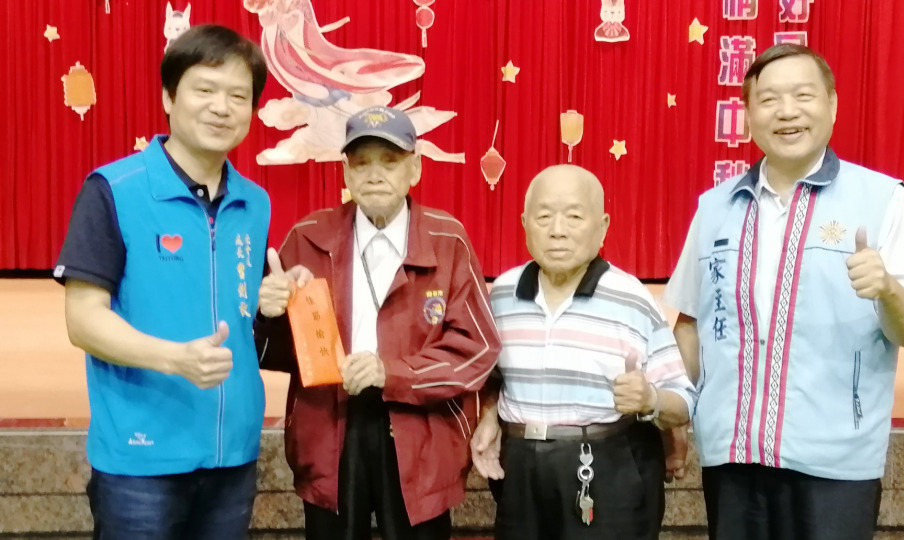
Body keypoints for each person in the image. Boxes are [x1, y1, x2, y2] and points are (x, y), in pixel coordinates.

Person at [664, 44, 904, 540]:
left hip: (836, 466)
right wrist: (672, 408)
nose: (787, 111)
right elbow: (690, 322)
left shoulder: (883, 199)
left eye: (803, 95)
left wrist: (887, 290)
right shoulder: (714, 208)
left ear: (832, 105)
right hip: (732, 456)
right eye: (769, 99)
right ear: (748, 114)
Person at [55, 25, 275, 539]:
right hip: (141, 460)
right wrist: (175, 359)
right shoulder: (113, 190)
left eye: (238, 96)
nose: (222, 107)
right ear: (168, 97)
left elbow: (245, 313)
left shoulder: (255, 203)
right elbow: (83, 321)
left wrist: (281, 299)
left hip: (233, 456)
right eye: (205, 90)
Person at [256, 105, 501, 540]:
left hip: (420, 430)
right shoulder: (307, 237)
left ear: (415, 168)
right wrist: (268, 315)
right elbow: (274, 353)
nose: (374, 175)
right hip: (329, 426)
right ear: (345, 173)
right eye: (361, 163)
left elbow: (475, 348)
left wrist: (393, 373)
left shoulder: (447, 240)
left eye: (389, 161)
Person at [471, 164, 696, 540]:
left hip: (608, 466)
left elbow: (683, 400)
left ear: (603, 226)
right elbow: (493, 379)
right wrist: (490, 415)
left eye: (574, 216)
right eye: (544, 216)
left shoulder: (631, 298)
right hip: (521, 470)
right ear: (524, 223)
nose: (557, 230)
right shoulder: (502, 295)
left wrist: (650, 399)